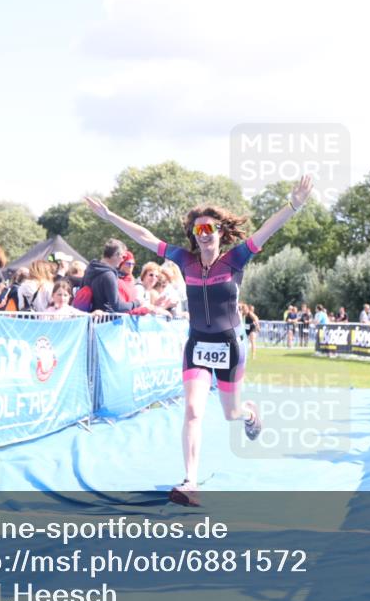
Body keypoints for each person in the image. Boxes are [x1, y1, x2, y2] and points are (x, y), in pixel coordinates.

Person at [83, 174, 314, 505]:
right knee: (192, 410)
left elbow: (267, 229)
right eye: (199, 230)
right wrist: (109, 216)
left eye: (210, 229)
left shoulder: (236, 259)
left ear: (220, 232)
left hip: (230, 345)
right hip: (197, 345)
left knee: (231, 413)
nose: (204, 234)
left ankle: (249, 413)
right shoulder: (184, 259)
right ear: (194, 234)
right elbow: (145, 236)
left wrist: (295, 204)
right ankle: (190, 481)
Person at [80, 238, 143, 314]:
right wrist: (136, 303)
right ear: (116, 255)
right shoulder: (109, 275)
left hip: (88, 319)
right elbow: (117, 306)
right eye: (123, 257)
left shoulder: (90, 269)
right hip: (105, 321)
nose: (123, 260)